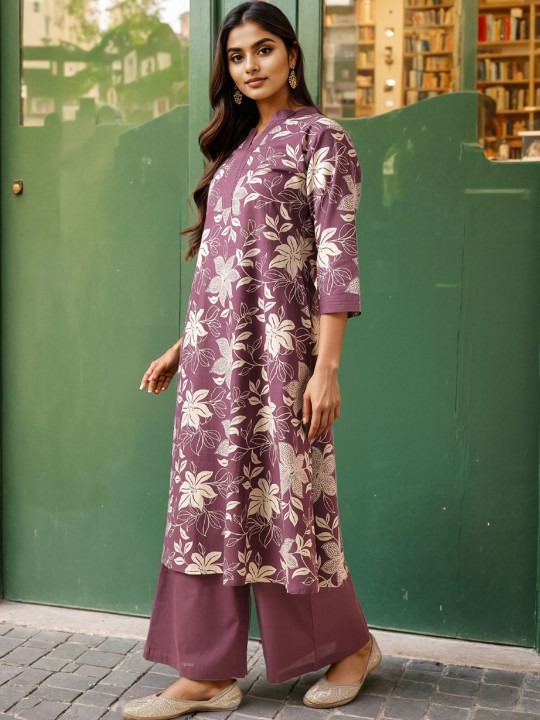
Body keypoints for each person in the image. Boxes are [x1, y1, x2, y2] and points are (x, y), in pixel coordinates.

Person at [123, 3, 380, 718]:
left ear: (292, 55)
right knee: (207, 505)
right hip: (213, 368)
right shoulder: (235, 151)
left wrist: (326, 369)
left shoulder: (322, 140)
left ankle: (351, 646)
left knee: (288, 500)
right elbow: (222, 268)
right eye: (237, 57)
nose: (250, 66)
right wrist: (184, 345)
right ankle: (207, 673)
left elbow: (336, 259)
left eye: (263, 49)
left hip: (282, 360)